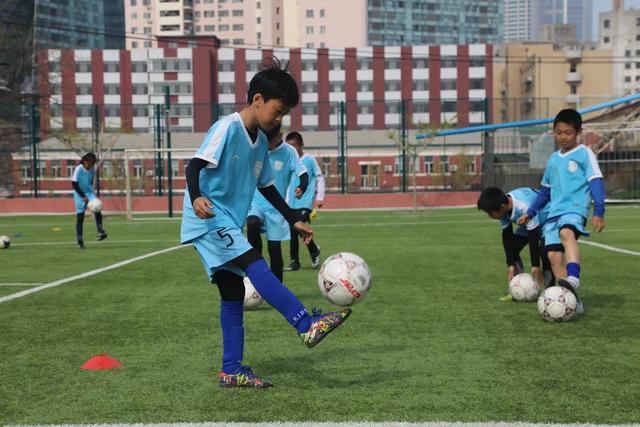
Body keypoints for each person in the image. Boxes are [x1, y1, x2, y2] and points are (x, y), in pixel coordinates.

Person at [180, 60, 351, 389]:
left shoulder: (260, 143)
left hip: (226, 220)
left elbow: (268, 188)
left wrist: (294, 220)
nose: (280, 119)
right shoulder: (227, 128)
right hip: (208, 216)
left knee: (232, 293)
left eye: (285, 114)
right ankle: (305, 323)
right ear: (258, 100)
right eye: (278, 110)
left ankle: (231, 370)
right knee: (254, 263)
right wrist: (198, 196)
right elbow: (195, 165)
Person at [518, 109, 606, 314]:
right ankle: (572, 302)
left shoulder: (584, 153)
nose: (563, 137)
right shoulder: (553, 159)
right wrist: (530, 212)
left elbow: (596, 181)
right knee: (554, 256)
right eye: (559, 132)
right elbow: (545, 191)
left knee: (567, 233)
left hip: (574, 209)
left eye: (568, 132)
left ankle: (573, 278)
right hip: (554, 214)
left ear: (578, 132)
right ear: (554, 132)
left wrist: (599, 211)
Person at [246, 123, 308, 282]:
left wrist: (302, 187)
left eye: (269, 141)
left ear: (279, 136)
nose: (266, 145)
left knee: (274, 249)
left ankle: (277, 288)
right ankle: (257, 266)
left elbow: (303, 173)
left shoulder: (289, 152)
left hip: (277, 207)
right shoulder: (257, 148)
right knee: (252, 222)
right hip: (257, 201)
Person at [477, 187, 554, 301]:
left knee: (545, 251)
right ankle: (517, 287)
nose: (490, 216)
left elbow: (533, 237)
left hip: (547, 220)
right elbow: (507, 236)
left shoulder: (523, 206)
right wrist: (511, 264)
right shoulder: (504, 206)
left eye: (490, 213)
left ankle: (550, 292)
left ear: (502, 207)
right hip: (528, 223)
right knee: (512, 249)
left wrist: (535, 265)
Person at [284, 131, 325, 271]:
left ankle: (313, 250)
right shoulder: (289, 160)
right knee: (293, 230)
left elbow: (319, 177)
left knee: (298, 227)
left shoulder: (309, 160)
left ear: (301, 145)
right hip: (291, 203)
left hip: (305, 202)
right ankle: (296, 261)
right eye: (288, 146)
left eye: (294, 146)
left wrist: (320, 197)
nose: (291, 149)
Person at [71, 152, 107, 249]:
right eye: (90, 164)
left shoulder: (92, 169)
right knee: (80, 217)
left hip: (89, 193)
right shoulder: (78, 169)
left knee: (97, 207)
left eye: (93, 164)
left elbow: (90, 181)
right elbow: (74, 184)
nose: (91, 166)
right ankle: (80, 241)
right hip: (79, 194)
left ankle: (100, 231)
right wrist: (82, 196)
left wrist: (89, 193)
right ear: (84, 161)